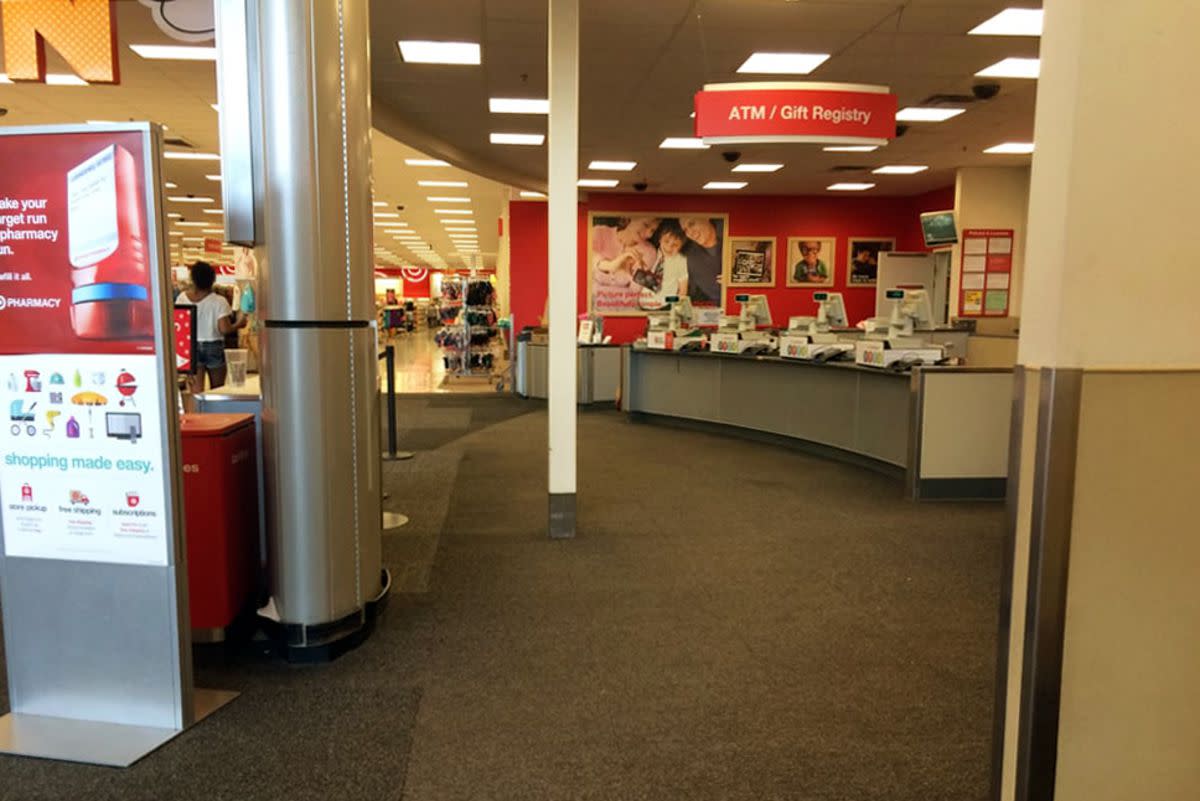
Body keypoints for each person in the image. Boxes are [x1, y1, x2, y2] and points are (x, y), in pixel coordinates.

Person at [176, 260, 247, 393]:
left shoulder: (181, 298)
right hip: (214, 346)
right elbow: (224, 329)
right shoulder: (219, 301)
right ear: (212, 280)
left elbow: (180, 329)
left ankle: (197, 413)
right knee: (217, 390)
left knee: (196, 392)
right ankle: (215, 413)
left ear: (193, 279)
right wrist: (239, 324)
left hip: (192, 347)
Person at [592, 216, 660, 287]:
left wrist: (629, 273)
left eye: (652, 231)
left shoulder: (650, 252)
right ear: (629, 219)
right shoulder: (599, 232)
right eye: (646, 225)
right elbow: (587, 261)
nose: (649, 234)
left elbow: (636, 292)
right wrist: (611, 265)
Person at [638, 220, 690, 308]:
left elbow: (683, 292)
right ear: (660, 239)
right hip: (643, 303)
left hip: (665, 305)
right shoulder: (652, 252)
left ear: (681, 246)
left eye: (675, 245)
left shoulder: (680, 261)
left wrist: (668, 301)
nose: (669, 247)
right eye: (666, 241)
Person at [680, 217, 723, 303]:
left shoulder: (731, 233)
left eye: (691, 224)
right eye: (685, 230)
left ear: (706, 217)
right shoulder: (689, 256)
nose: (690, 233)